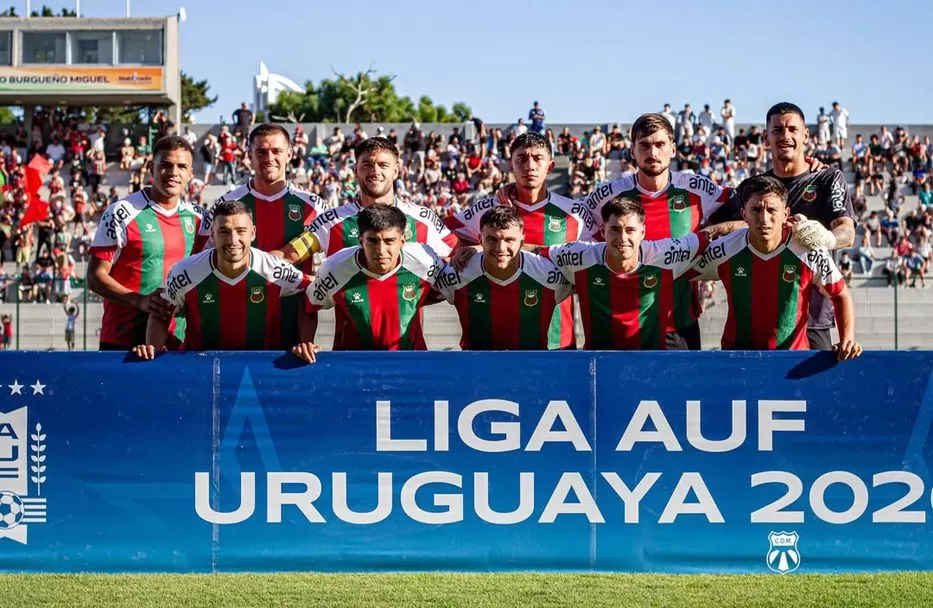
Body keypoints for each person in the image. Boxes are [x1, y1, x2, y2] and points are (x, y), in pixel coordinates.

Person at [578, 114, 737, 350]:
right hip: (623, 323)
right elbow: (567, 219)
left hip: (678, 324)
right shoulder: (608, 194)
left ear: (673, 149)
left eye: (660, 144)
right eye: (644, 145)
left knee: (682, 388)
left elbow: (749, 204)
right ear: (632, 151)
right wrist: (512, 193)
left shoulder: (697, 188)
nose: (652, 152)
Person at [709, 102, 856, 351]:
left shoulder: (827, 178)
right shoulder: (753, 187)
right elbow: (715, 228)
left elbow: (847, 232)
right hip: (758, 321)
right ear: (766, 137)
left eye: (792, 129)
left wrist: (828, 238)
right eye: (777, 130)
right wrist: (743, 225)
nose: (785, 136)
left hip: (812, 316)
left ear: (806, 135)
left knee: (811, 388)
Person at [688, 175, 861, 359]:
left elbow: (840, 294)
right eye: (756, 209)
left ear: (786, 214)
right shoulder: (725, 249)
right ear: (743, 213)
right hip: (737, 359)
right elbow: (682, 272)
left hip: (791, 360)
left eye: (772, 210)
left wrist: (847, 339)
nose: (764, 218)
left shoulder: (809, 250)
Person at [544, 198, 734, 349]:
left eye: (630, 230)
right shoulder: (579, 256)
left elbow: (709, 235)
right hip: (600, 366)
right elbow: (538, 254)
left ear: (643, 232)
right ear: (602, 231)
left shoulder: (665, 255)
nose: (622, 238)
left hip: (651, 364)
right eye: (615, 230)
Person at [132, 201, 312, 358]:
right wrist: (153, 350)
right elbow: (161, 312)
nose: (233, 240)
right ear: (212, 233)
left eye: (241, 231)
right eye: (224, 231)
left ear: (253, 233)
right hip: (201, 366)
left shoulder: (273, 268)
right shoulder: (185, 272)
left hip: (257, 366)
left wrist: (306, 342)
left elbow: (311, 290)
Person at [203, 123, 325, 347]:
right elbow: (206, 261)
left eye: (276, 151)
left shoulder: (314, 206)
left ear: (289, 154)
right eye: (261, 152)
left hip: (294, 331)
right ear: (249, 156)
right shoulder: (226, 204)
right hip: (237, 325)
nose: (269, 158)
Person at [88, 136, 205, 351]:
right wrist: (139, 300)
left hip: (174, 343)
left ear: (190, 174)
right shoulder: (120, 212)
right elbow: (95, 277)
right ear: (151, 168)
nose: (173, 173)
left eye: (181, 167)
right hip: (122, 341)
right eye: (166, 165)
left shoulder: (199, 219)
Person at [292, 204, 444, 361]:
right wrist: (306, 342)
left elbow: (453, 288)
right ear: (360, 240)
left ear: (402, 241)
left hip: (411, 362)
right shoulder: (335, 268)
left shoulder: (425, 261)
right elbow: (308, 304)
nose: (381, 250)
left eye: (389, 241)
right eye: (372, 241)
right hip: (354, 366)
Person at [275, 137, 457, 262]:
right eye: (367, 164)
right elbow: (288, 255)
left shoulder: (423, 218)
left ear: (396, 171)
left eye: (383, 165)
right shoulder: (331, 221)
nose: (375, 171)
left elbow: (460, 254)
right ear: (355, 171)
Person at [434, 206, 572, 350]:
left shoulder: (548, 273)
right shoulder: (457, 272)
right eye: (492, 239)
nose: (501, 248)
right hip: (477, 368)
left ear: (522, 240)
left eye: (509, 240)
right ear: (480, 239)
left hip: (532, 369)